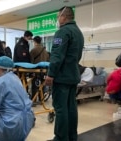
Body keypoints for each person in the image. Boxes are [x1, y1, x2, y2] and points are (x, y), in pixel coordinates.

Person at [45, 6, 84, 141]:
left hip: (62, 77)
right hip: (73, 76)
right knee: (71, 108)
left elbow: (57, 55)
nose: (57, 19)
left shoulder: (63, 32)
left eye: (58, 17)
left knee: (60, 108)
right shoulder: (78, 32)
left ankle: (61, 138)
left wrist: (51, 74)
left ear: (64, 16)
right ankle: (72, 136)